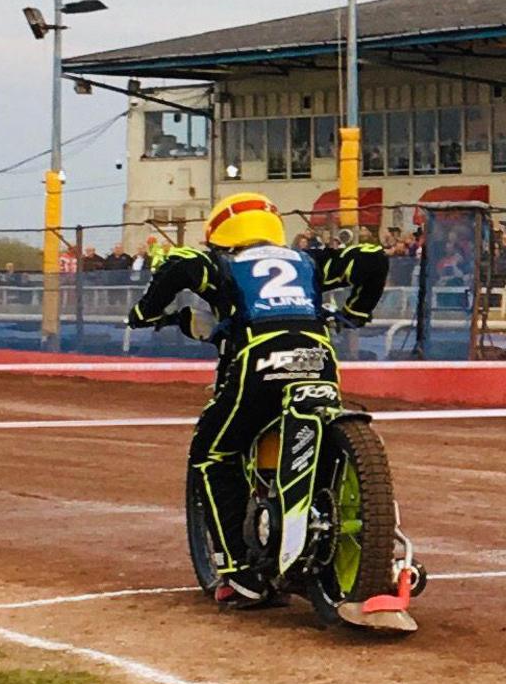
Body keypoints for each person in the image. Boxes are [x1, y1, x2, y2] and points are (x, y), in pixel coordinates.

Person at [126, 192, 388, 605]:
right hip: (318, 359)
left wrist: (144, 312)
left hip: (260, 361)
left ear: (221, 234)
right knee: (318, 435)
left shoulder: (223, 263)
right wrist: (357, 311)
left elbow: (178, 265)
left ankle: (242, 572)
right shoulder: (308, 262)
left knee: (213, 453)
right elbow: (372, 257)